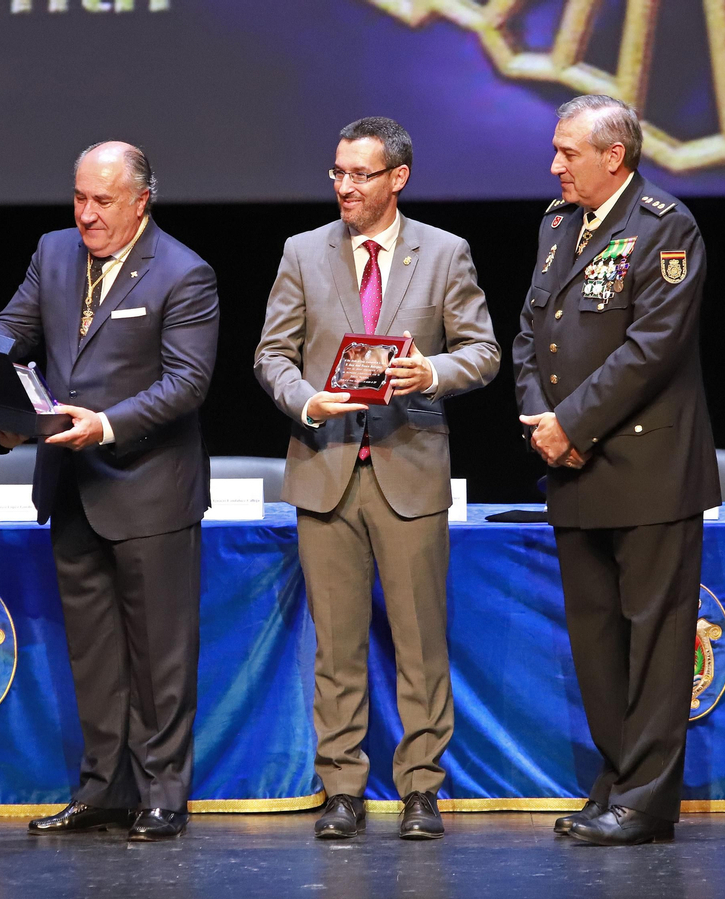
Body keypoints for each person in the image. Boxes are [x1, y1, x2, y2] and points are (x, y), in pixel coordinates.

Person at [254, 117, 500, 841]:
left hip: (409, 468)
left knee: (421, 639)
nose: (344, 187)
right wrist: (305, 396)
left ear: (398, 178)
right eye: (337, 173)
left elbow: (482, 352)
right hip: (326, 468)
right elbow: (272, 354)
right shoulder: (303, 253)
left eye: (360, 175)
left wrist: (431, 371)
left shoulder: (445, 254)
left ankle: (422, 787)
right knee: (336, 644)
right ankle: (342, 787)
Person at [0, 142, 219, 842]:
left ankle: (162, 793)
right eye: (80, 197)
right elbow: (9, 329)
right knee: (94, 655)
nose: (87, 214)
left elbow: (187, 382)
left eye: (103, 201)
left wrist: (108, 424)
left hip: (149, 490)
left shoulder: (184, 272)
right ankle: (103, 789)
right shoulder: (53, 253)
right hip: (72, 487)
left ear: (141, 200)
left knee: (159, 656)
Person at [513, 95, 720, 846]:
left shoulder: (667, 226)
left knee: (657, 643)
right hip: (572, 468)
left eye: (568, 153)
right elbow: (531, 332)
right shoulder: (557, 223)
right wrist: (542, 422)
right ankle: (616, 783)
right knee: (596, 642)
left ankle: (646, 799)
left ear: (615, 156)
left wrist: (572, 423)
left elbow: (651, 348)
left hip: (648, 468)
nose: (554, 165)